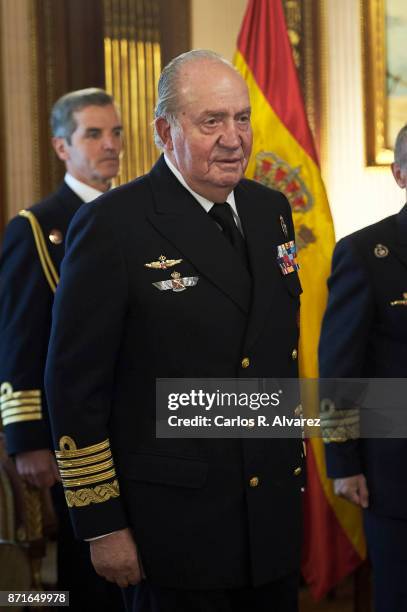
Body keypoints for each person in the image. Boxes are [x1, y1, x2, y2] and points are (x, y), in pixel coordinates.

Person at [44, 50, 304, 612]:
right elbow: (75, 388)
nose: (234, 138)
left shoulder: (270, 210)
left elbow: (269, 361)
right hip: (174, 526)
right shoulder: (114, 225)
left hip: (270, 516)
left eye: (241, 118)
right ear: (165, 131)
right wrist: (101, 523)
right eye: (212, 122)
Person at [0, 87, 123, 610]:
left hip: (131, 427)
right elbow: (19, 337)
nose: (109, 145)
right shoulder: (36, 228)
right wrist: (28, 438)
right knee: (88, 577)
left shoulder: (133, 214)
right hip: (72, 436)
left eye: (115, 132)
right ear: (61, 148)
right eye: (92, 134)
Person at [319, 124, 407, 612]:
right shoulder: (366, 254)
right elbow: (338, 366)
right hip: (397, 471)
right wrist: (343, 461)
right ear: (398, 175)